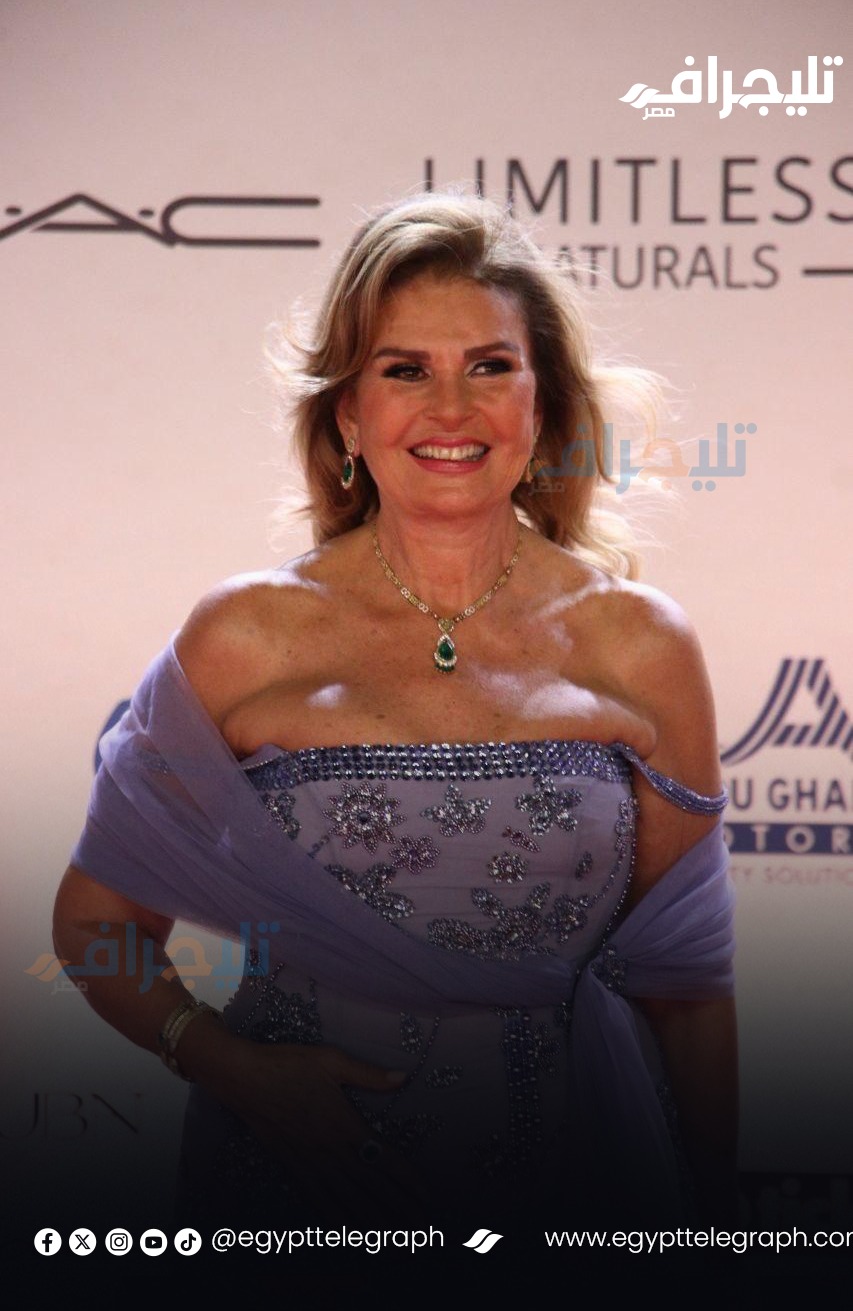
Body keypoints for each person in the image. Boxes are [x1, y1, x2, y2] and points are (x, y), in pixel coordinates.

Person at [53, 192, 736, 1233]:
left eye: (489, 367)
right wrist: (235, 1068)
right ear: (347, 415)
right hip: (292, 1196)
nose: (450, 409)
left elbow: (684, 994)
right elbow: (96, 926)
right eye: (405, 370)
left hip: (567, 1192)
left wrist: (721, 1239)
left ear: (541, 406)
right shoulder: (244, 635)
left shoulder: (640, 644)